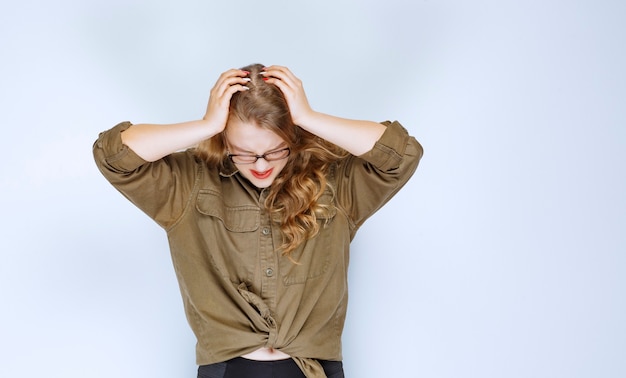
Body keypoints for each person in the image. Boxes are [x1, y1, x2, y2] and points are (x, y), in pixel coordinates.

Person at [93, 63, 423, 378]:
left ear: (293, 138)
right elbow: (113, 157)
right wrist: (206, 125)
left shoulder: (336, 184)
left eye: (275, 149)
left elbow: (403, 154)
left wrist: (308, 117)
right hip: (228, 370)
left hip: (315, 368)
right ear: (224, 142)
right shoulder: (189, 183)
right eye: (245, 152)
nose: (261, 165)